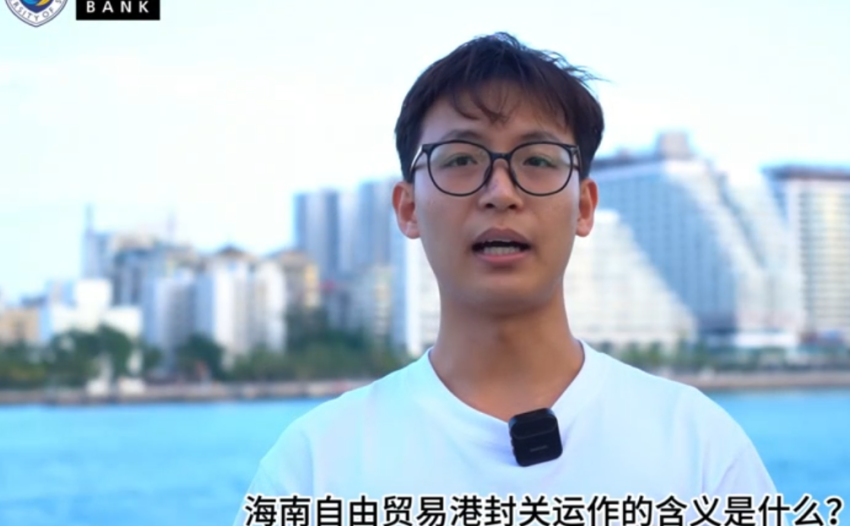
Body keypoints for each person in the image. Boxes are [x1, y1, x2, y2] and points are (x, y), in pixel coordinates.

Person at [233, 33, 780, 525]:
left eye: (538, 160)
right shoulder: (315, 468)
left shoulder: (698, 448)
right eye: (460, 160)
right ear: (408, 208)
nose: (501, 192)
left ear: (584, 206)